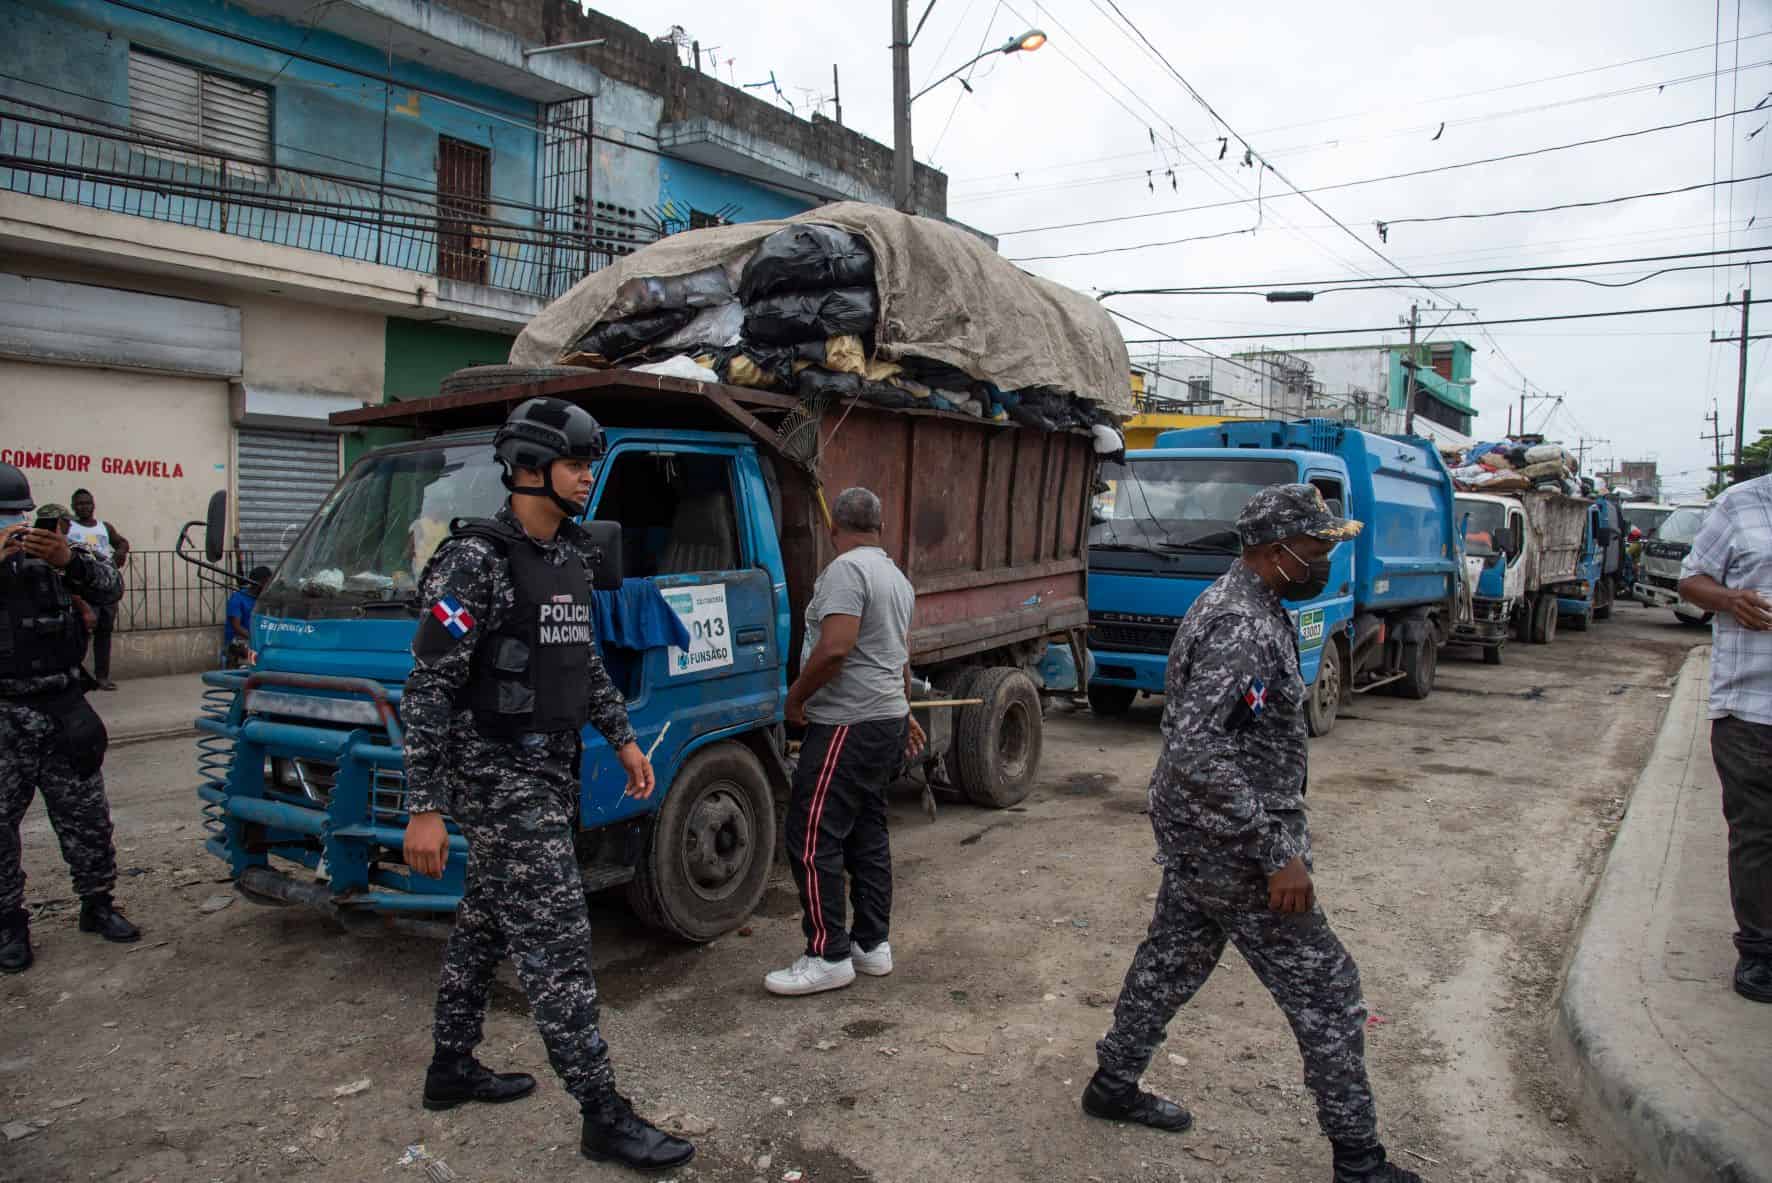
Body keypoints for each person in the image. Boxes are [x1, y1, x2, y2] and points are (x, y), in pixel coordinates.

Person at [1084, 484, 1421, 1183]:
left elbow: (1221, 734)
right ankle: (1360, 1162)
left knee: (1173, 958)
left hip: (1204, 831)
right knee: (1328, 989)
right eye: (1319, 548)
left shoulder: (1248, 606)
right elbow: (1201, 752)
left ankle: (1112, 1084)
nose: (1328, 559)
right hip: (1236, 843)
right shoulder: (1242, 624)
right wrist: (1277, 853)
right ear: (1277, 552)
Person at [399, 398, 692, 1172]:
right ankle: (603, 1112)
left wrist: (623, 737)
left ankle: (451, 1066)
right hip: (497, 776)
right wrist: (424, 804)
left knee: (486, 922)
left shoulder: (568, 556)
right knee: (560, 938)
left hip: (551, 768)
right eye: (576, 463)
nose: (589, 476)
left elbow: (581, 661)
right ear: (529, 467)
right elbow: (428, 685)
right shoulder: (474, 562)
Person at [766, 487, 925, 997]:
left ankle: (827, 953)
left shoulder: (845, 571)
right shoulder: (896, 577)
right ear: (880, 526)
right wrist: (906, 712)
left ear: (834, 527)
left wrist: (795, 699)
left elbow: (835, 649)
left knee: (812, 834)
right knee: (867, 831)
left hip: (847, 724)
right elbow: (897, 654)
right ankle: (871, 946)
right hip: (884, 718)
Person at [0, 465, 140, 974]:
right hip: (4, 712)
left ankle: (97, 902)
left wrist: (70, 563)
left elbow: (111, 587)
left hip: (60, 705)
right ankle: (8, 923)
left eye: (18, 519)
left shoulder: (56, 558)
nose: (14, 530)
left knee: (85, 815)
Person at [1678, 474, 1772, 1004]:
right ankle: (1760, 951)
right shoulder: (1740, 504)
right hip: (1750, 705)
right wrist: (1732, 599)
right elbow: (1692, 583)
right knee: (1757, 831)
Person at [66, 490, 128, 691]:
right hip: (82, 588)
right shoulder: (68, 527)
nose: (84, 507)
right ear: (73, 507)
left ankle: (102, 676)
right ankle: (75, 675)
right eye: (79, 504)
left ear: (93, 505)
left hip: (105, 588)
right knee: (79, 633)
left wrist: (120, 552)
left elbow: (122, 542)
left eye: (87, 503)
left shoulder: (104, 527)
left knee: (104, 633)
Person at [225, 566, 272, 668]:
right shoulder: (238, 598)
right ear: (258, 583)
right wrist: (257, 638)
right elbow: (236, 627)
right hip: (239, 641)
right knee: (258, 660)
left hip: (258, 640)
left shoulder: (264, 599)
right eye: (267, 583)